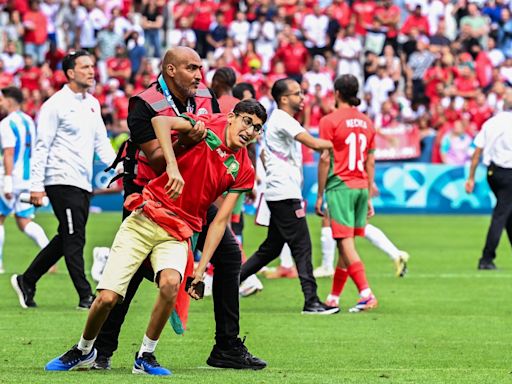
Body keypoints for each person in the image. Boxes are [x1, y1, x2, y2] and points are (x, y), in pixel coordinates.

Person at [44, 100, 267, 375]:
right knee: (107, 299)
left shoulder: (243, 169)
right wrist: (171, 167)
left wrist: (200, 269)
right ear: (232, 117)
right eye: (247, 121)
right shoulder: (205, 124)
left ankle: (145, 356)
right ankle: (83, 350)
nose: (250, 131)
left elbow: (220, 221)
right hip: (146, 217)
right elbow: (159, 122)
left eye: (257, 128)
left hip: (179, 232)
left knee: (171, 284)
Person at [91, 46, 266, 371]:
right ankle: (102, 348)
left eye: (200, 67)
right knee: (133, 271)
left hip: (191, 197)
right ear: (171, 70)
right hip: (147, 191)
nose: (199, 74)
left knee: (228, 255)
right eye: (191, 68)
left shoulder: (205, 97)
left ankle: (226, 347)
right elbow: (157, 158)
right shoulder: (143, 102)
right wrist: (187, 140)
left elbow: (216, 152)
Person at [10, 50, 116, 309]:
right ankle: (85, 295)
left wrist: (120, 167)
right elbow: (41, 146)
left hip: (82, 181)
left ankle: (27, 280)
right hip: (59, 179)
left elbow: (101, 143)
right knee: (75, 236)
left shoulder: (92, 103)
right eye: (85, 67)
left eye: (92, 66)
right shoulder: (54, 105)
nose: (92, 71)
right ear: (70, 73)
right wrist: (36, 186)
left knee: (67, 236)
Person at [239, 78, 339, 315]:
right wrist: (341, 143)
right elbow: (313, 143)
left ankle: (230, 282)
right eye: (297, 93)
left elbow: (265, 155)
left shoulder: (279, 120)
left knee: (271, 249)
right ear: (284, 99)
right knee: (302, 245)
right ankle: (311, 301)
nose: (302, 97)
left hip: (281, 191)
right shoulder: (283, 119)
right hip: (284, 193)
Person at [315, 74, 378, 312]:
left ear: (337, 93)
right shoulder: (367, 122)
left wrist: (320, 195)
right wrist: (369, 192)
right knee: (346, 243)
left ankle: (366, 293)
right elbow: (370, 161)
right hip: (361, 185)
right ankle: (334, 297)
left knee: (344, 241)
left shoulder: (329, 120)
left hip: (341, 185)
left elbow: (324, 158)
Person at [0, 87, 49, 275]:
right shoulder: (29, 121)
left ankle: (0, 264)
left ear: (10, 101)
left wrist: (7, 181)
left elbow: (9, 153)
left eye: (2, 99)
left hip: (11, 177)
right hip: (28, 179)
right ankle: (49, 257)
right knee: (24, 221)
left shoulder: (6, 124)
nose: (1, 103)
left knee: (0, 219)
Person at [466, 91, 512, 270]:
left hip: (492, 172)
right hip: (509, 173)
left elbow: (476, 152)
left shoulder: (490, 123)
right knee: (501, 214)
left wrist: (470, 177)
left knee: (508, 212)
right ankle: (486, 258)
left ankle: (487, 257)